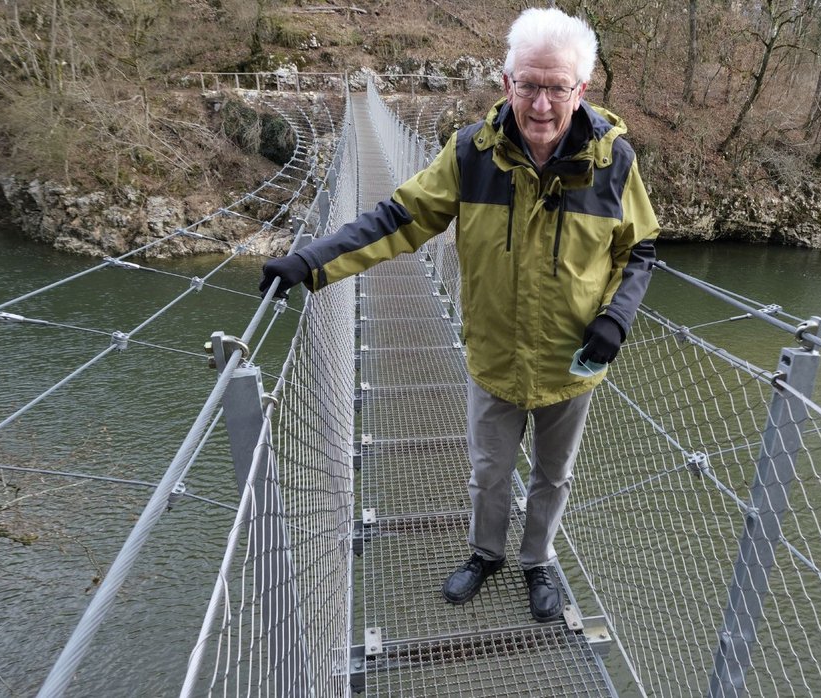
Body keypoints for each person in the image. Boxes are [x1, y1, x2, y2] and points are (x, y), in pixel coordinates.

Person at [260, 7, 658, 623]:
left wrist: (617, 319)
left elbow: (640, 249)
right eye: (529, 84)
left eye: (557, 87)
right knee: (488, 472)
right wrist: (311, 262)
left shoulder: (614, 163)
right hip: (494, 354)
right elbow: (399, 218)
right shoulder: (471, 154)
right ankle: (486, 553)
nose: (542, 104)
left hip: (573, 359)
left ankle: (537, 561)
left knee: (554, 477)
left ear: (581, 91)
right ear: (507, 84)